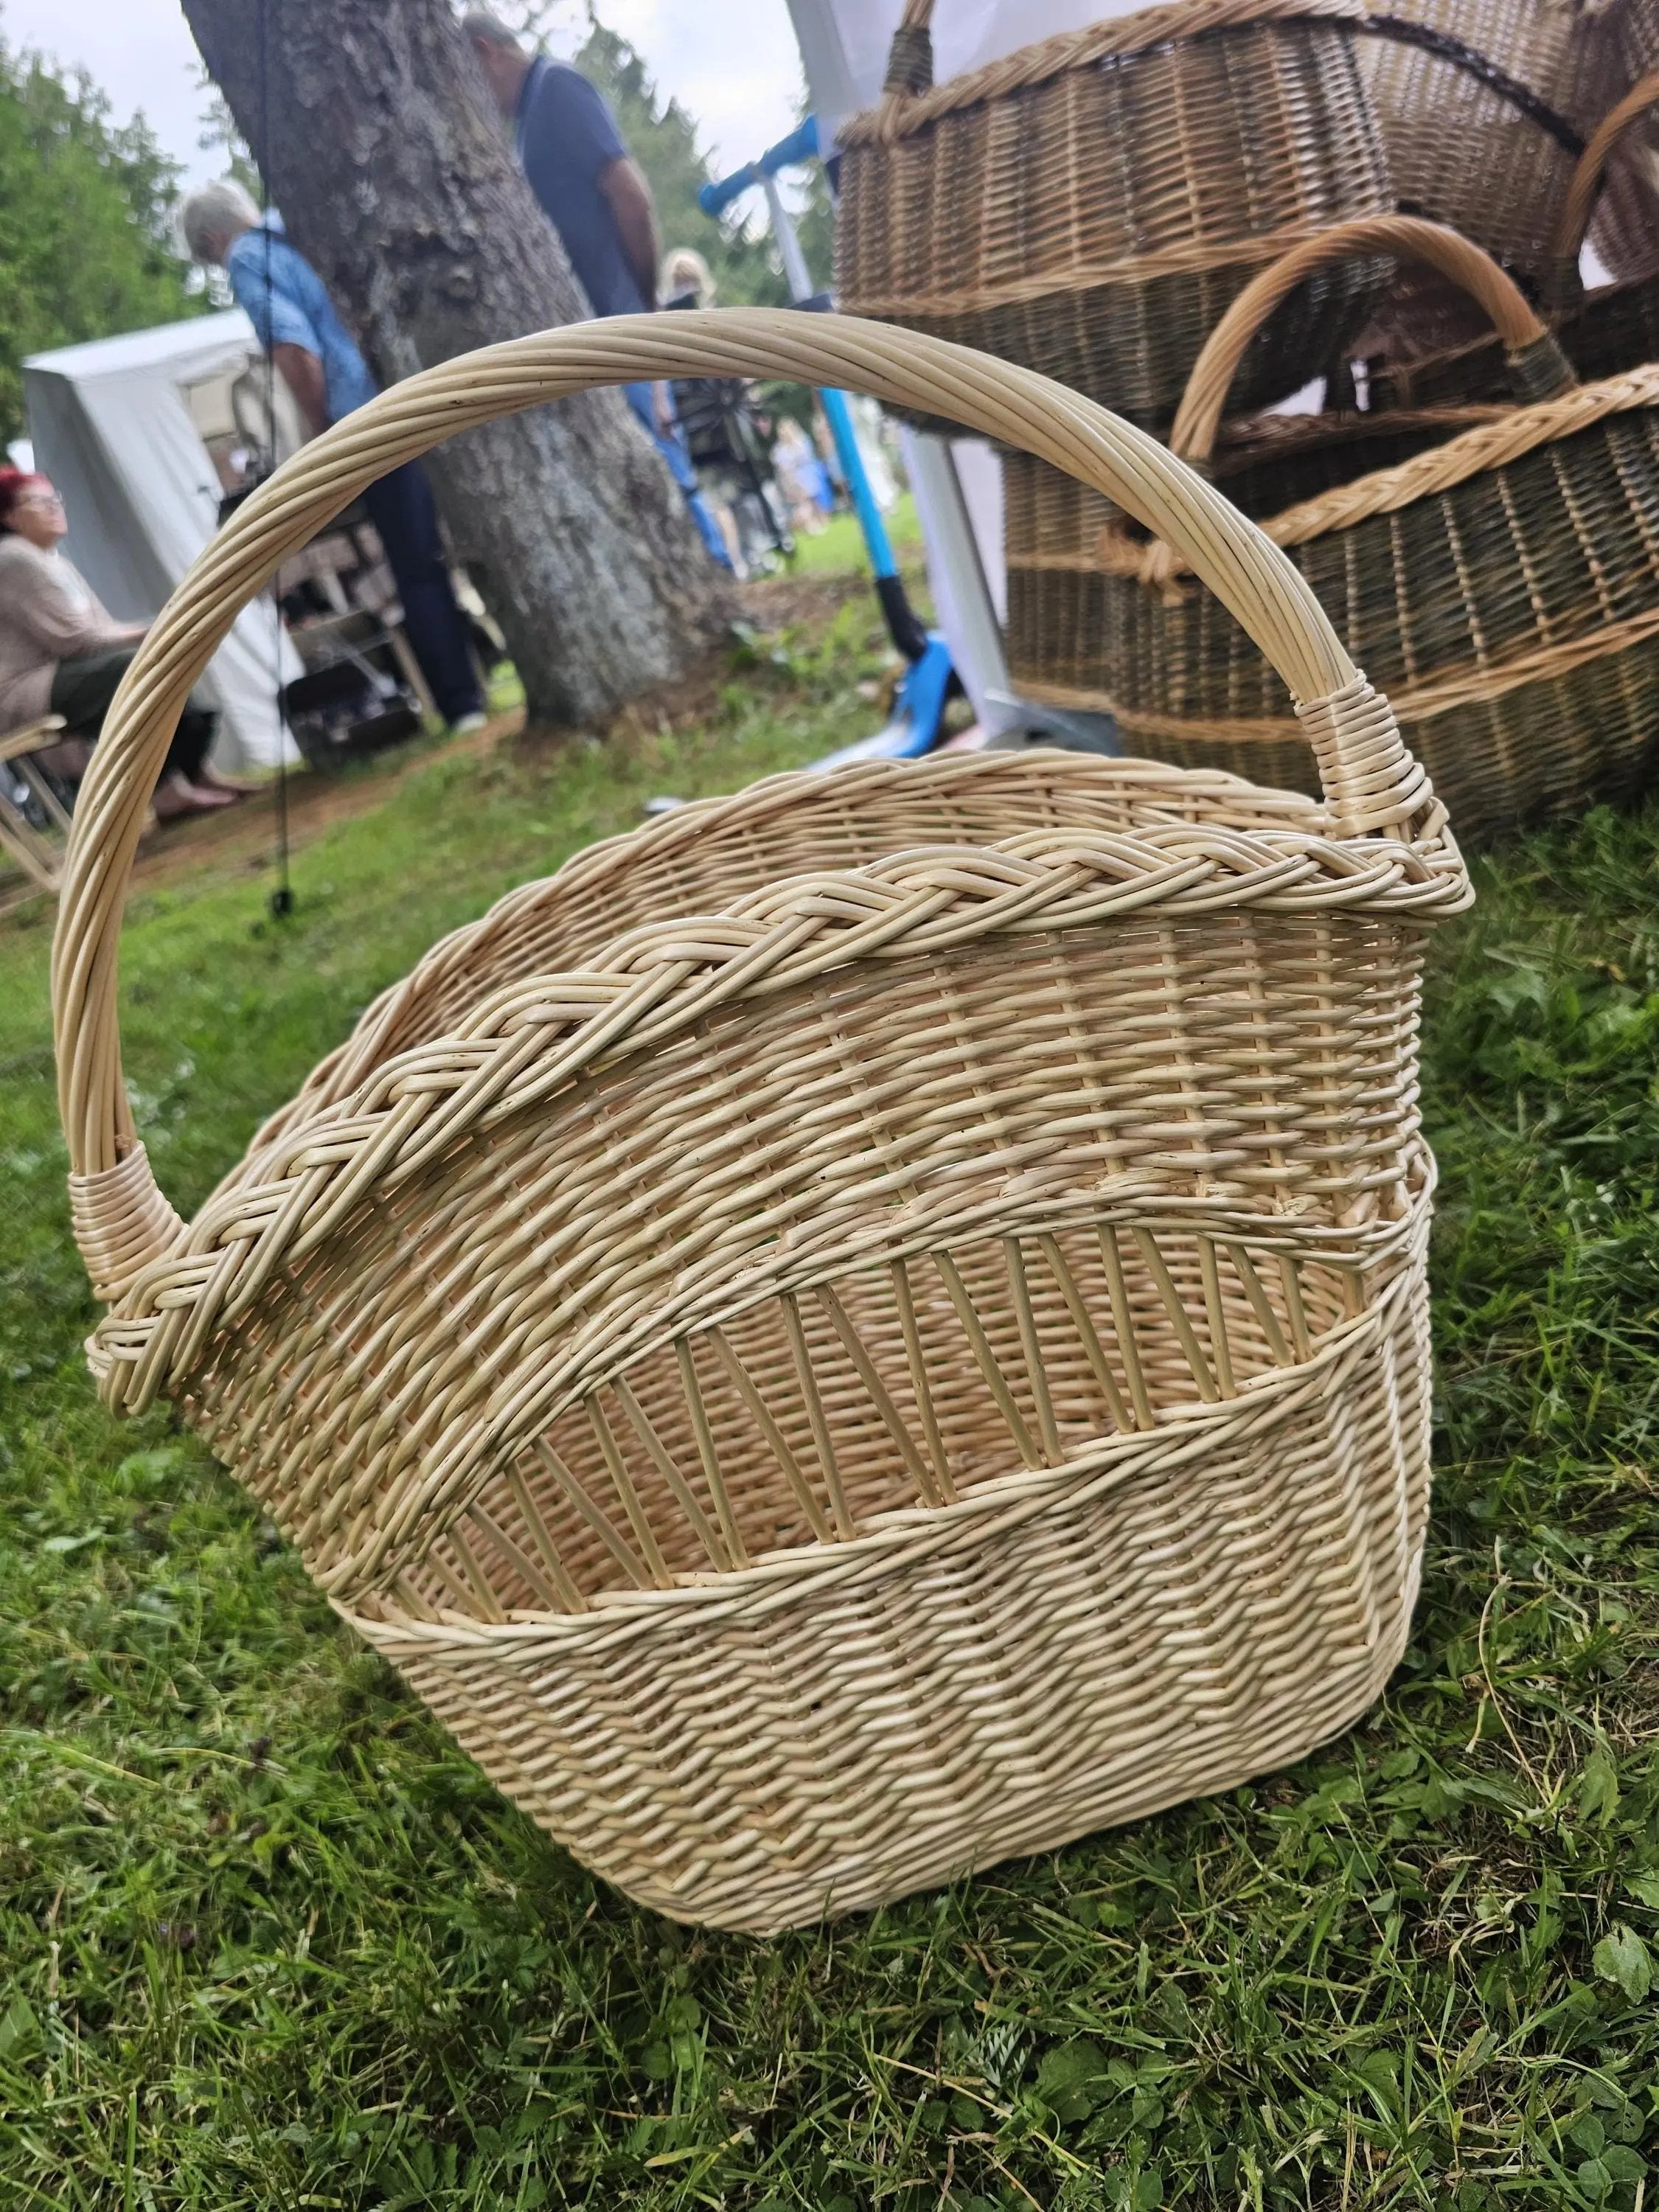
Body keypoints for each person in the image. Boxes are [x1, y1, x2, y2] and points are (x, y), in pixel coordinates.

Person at [179, 180, 489, 735]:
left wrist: (325, 434)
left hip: (367, 417)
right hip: (417, 386)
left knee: (413, 564)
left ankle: (461, 702)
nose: (219, 264)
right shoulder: (297, 223)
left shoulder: (249, 259)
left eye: (210, 256)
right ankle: (479, 674)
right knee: (449, 542)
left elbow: (294, 349)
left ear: (212, 236)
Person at [460, 11, 732, 569]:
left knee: (668, 475)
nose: (476, 102)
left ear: (487, 51)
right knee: (646, 475)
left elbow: (630, 197)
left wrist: (644, 307)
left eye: (469, 80)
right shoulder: (528, 118)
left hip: (622, 318)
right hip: (600, 325)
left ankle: (722, 589)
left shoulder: (557, 87)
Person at [0, 469, 238, 820]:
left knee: (152, 657)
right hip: (22, 692)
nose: (54, 507)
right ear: (9, 517)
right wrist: (156, 630)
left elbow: (99, 629)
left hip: (60, 675)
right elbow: (74, 640)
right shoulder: (13, 557)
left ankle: (196, 775)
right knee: (128, 668)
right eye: (39, 501)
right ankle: (168, 792)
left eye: (56, 498)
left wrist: (155, 635)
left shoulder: (52, 560)